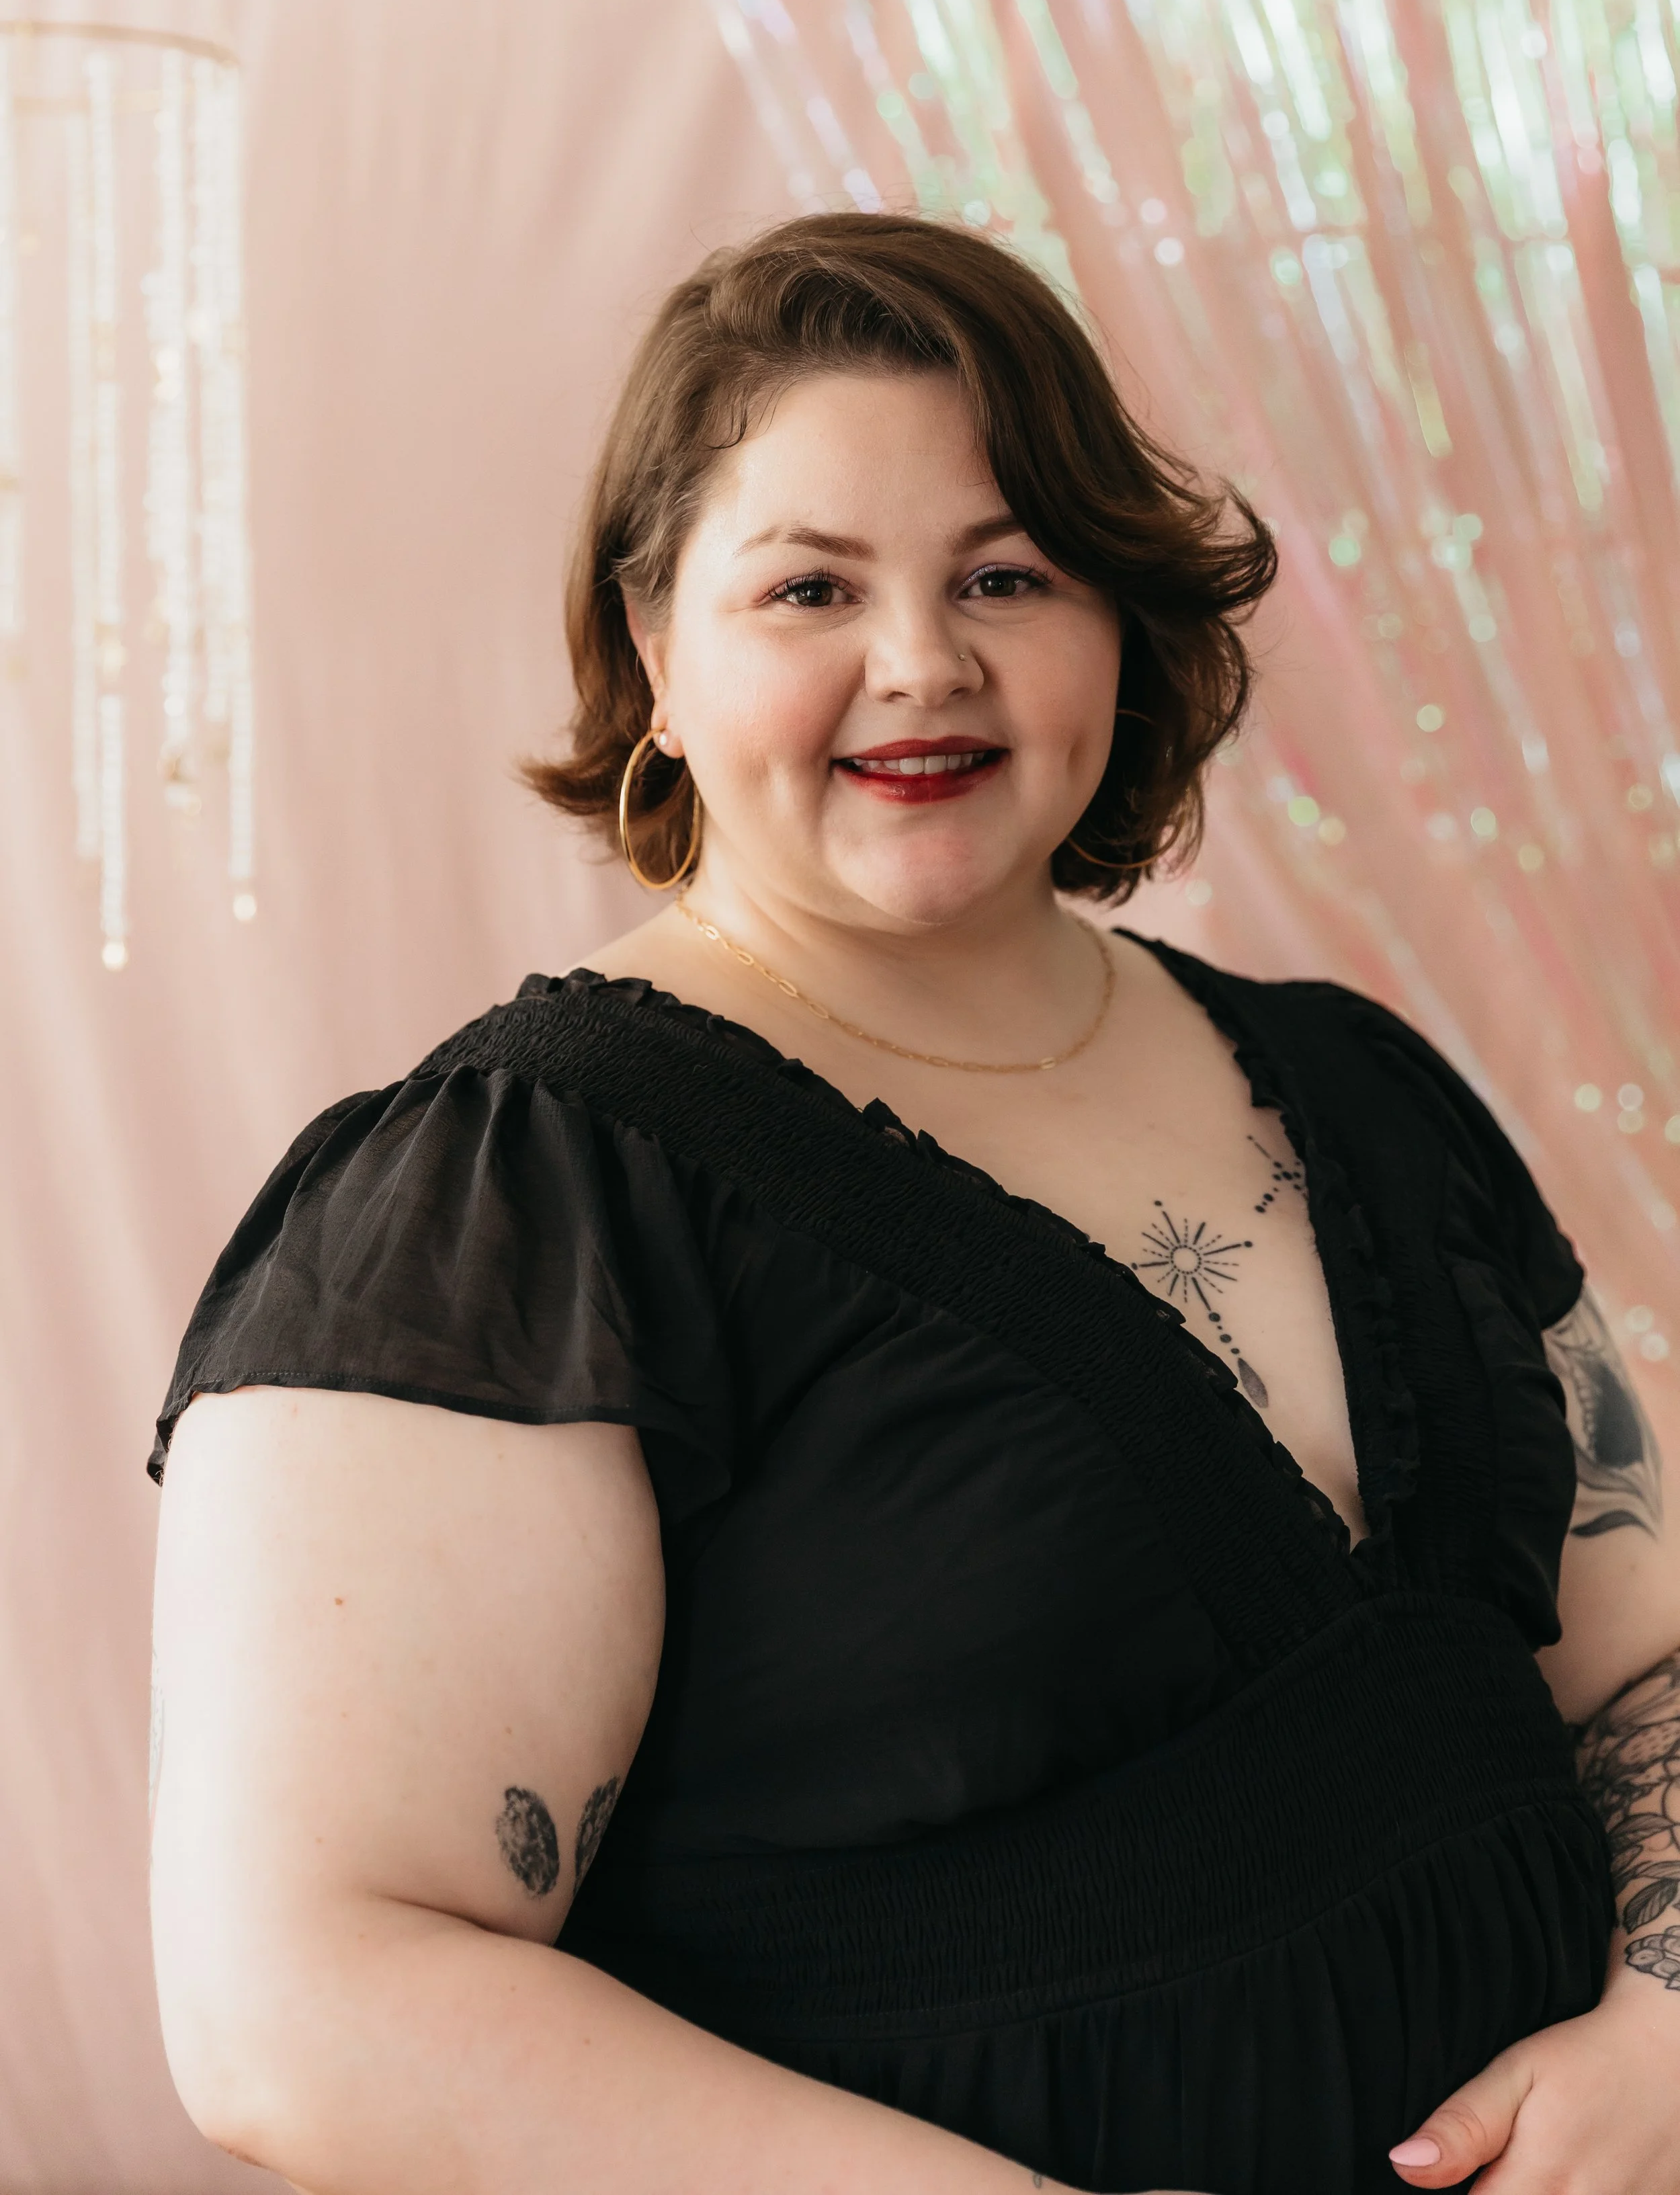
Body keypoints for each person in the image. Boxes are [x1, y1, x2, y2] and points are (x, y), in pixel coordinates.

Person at [149, 213, 1680, 2195]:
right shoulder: (514, 1193)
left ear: (1116, 625)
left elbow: (1637, 1660)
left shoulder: (1363, 1085)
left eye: (1005, 572)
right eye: (808, 586)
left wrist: (1664, 2027)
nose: (921, 664)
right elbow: (306, 2002)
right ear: (655, 660)